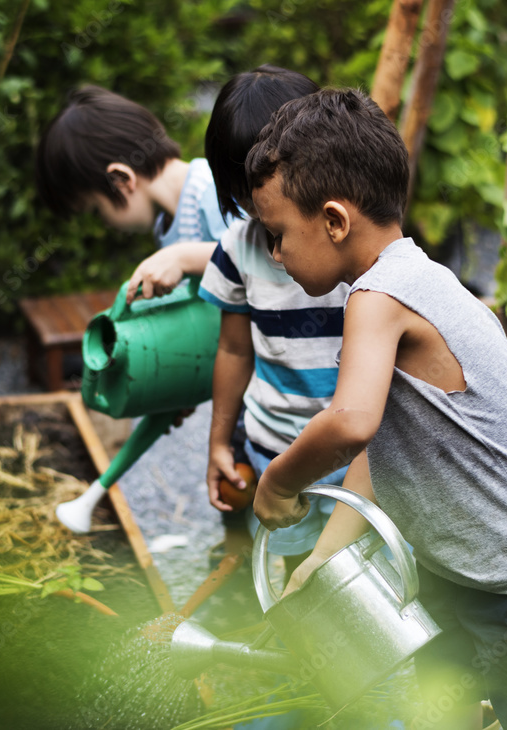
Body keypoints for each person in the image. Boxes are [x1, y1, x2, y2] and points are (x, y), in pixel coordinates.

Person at [245, 88, 507, 730]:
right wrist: (323, 557)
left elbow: (349, 425)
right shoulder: (410, 279)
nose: (274, 255)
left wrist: (278, 480)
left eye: (277, 236)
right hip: (459, 568)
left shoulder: (381, 297)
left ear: (334, 221)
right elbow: (378, 448)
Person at [199, 66, 351, 574]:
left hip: (359, 457)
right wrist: (220, 440)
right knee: (297, 576)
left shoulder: (353, 246)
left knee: (366, 574)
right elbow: (234, 350)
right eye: (245, 192)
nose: (260, 205)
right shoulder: (237, 252)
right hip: (274, 448)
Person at [35, 85, 228, 303]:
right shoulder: (165, 223)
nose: (104, 225)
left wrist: (182, 258)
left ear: (121, 179)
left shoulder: (213, 189)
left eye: (97, 211)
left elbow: (262, 256)